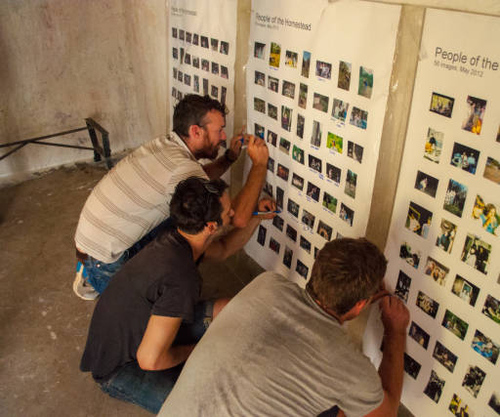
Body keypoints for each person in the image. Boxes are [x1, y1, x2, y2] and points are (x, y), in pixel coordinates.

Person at [79, 177, 276, 413]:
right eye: (228, 210)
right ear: (211, 227)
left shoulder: (178, 238)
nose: (233, 211)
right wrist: (196, 351)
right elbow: (150, 359)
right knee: (210, 407)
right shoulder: (181, 277)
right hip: (120, 368)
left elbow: (223, 250)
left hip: (141, 329)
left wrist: (256, 218)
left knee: (231, 308)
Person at [159, 238, 410, 417]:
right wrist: (395, 331)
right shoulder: (349, 366)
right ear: (360, 306)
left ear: (315, 270)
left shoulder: (267, 283)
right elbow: (385, 413)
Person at [74, 94, 268, 300]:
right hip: (106, 261)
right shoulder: (183, 168)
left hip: (91, 241)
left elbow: (193, 184)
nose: (223, 137)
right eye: (219, 130)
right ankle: (99, 281)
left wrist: (228, 158)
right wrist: (259, 165)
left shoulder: (167, 146)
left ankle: (93, 274)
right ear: (195, 131)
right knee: (167, 305)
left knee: (181, 221)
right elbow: (237, 218)